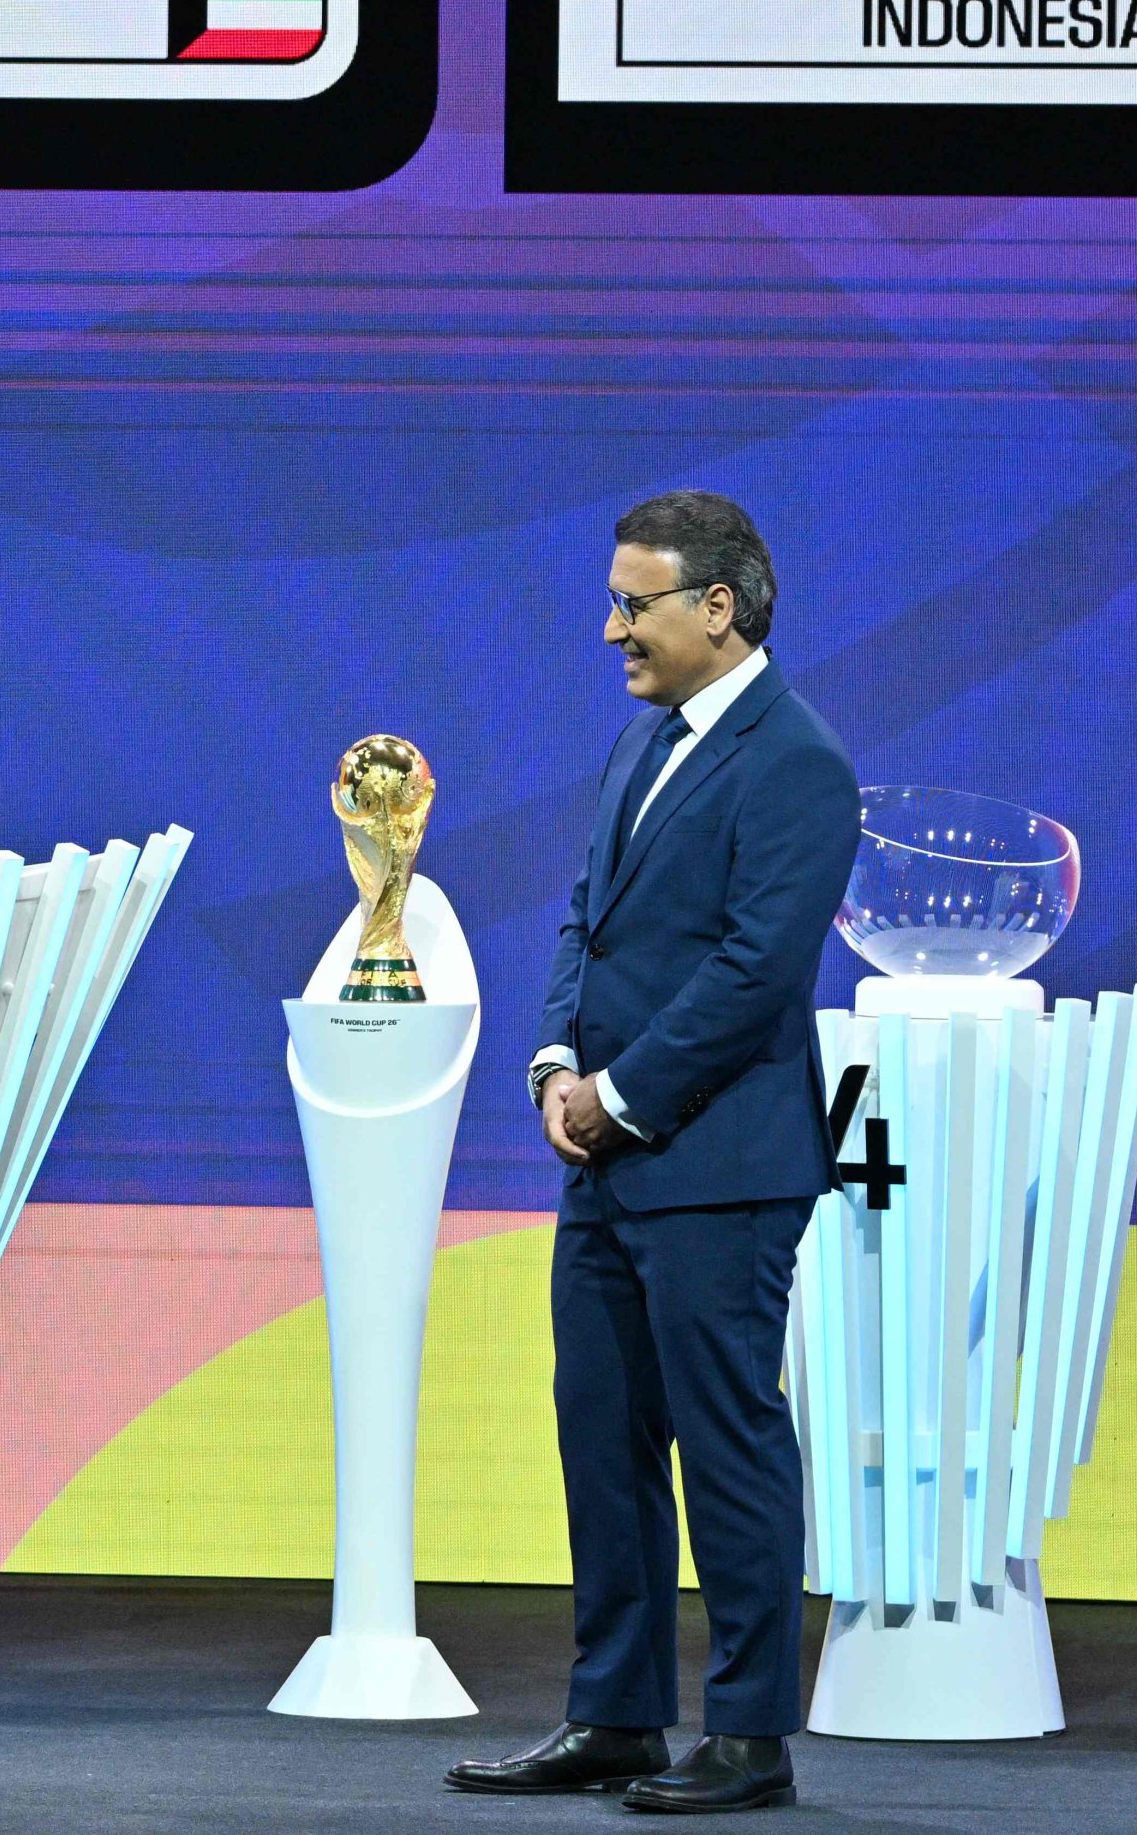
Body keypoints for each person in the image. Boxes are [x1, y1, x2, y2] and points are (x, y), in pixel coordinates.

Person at [449, 491, 855, 1816]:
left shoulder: (796, 760)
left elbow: (756, 971)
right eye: (617, 598)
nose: (611, 625)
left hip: (720, 1164)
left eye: (637, 601)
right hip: (608, 1158)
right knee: (602, 1435)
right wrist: (558, 1065)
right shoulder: (642, 745)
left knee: (727, 1436)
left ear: (719, 606)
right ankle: (615, 1711)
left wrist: (621, 1093)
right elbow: (589, 920)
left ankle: (748, 1735)